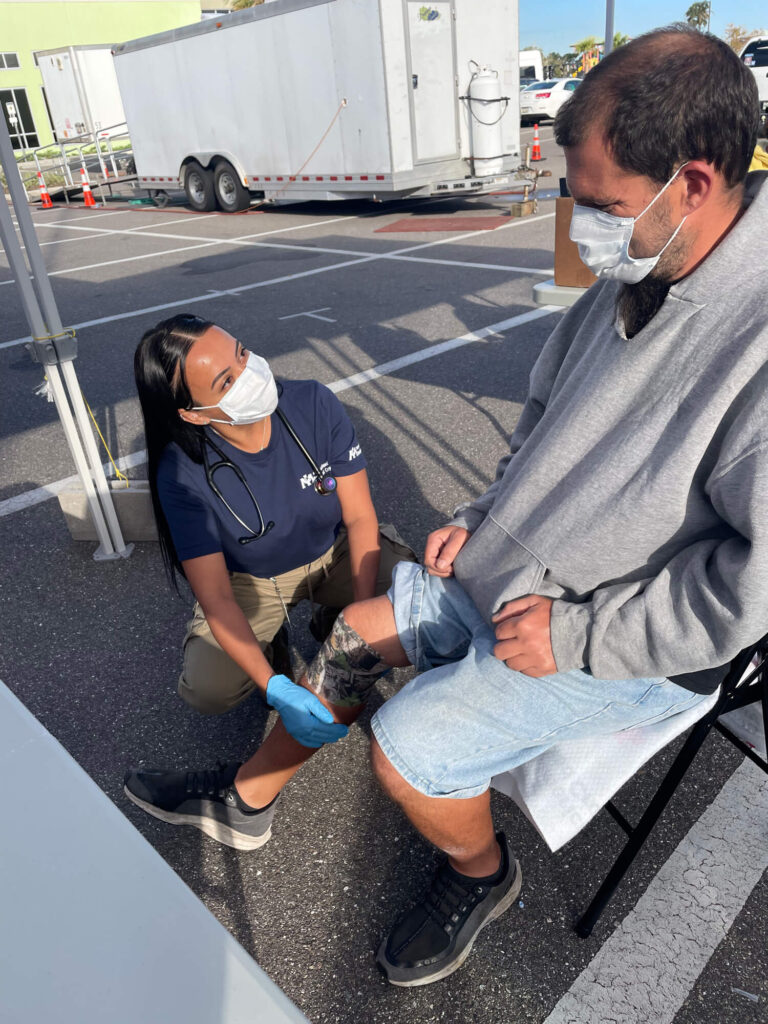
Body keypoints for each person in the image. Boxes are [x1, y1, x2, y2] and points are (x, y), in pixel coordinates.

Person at [128, 25, 767, 985]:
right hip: (517, 567)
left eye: (599, 202)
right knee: (349, 637)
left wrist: (582, 637)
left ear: (697, 181)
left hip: (619, 627)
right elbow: (546, 425)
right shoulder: (640, 261)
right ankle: (248, 805)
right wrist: (484, 509)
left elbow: (748, 592)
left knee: (405, 752)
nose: (576, 223)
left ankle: (482, 870)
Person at [125, 314, 414, 838]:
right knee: (208, 686)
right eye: (227, 381)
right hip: (254, 582)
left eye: (240, 352)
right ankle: (275, 649)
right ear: (192, 415)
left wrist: (360, 614)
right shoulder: (181, 471)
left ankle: (332, 615)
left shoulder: (311, 403)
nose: (251, 371)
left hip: (336, 553)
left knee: (412, 592)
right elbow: (215, 597)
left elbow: (361, 518)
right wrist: (276, 685)